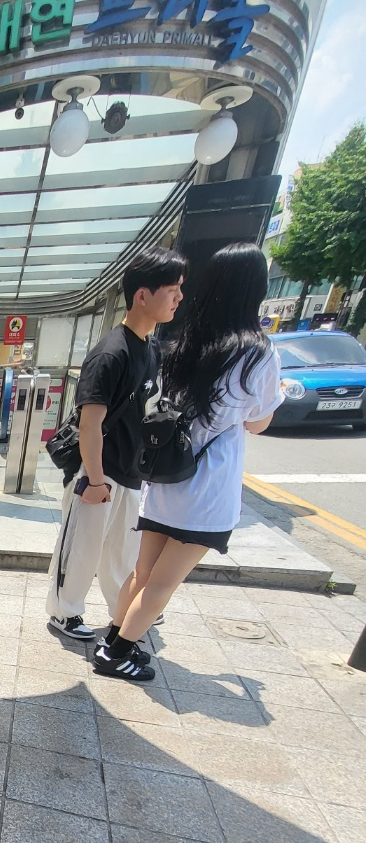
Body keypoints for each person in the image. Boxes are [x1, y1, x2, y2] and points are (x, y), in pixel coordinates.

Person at [95, 243, 282, 682]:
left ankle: (113, 639)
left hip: (164, 481)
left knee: (142, 573)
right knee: (162, 582)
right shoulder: (257, 353)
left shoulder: (182, 346)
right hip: (206, 489)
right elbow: (258, 423)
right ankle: (116, 653)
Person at [46, 247, 187, 641]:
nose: (179, 298)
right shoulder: (111, 353)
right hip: (98, 470)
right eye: (172, 290)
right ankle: (64, 612)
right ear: (143, 295)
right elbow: (90, 423)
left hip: (131, 470)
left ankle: (123, 609)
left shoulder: (151, 349)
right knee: (81, 548)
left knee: (124, 552)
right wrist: (93, 480)